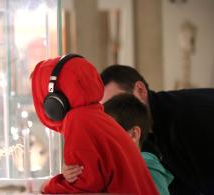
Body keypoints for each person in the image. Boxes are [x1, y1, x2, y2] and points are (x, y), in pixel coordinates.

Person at [31, 54, 158, 194]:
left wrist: (47, 186)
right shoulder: (96, 117)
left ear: (53, 101)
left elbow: (85, 186)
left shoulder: (78, 120)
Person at [99, 64, 214, 195]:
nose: (110, 116)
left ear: (141, 90)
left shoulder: (189, 115)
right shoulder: (145, 136)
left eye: (118, 103)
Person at [63, 94, 173, 195]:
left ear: (134, 134)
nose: (101, 143)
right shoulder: (111, 166)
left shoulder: (147, 169)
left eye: (109, 134)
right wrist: (72, 174)